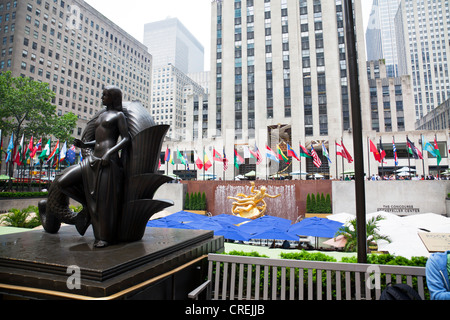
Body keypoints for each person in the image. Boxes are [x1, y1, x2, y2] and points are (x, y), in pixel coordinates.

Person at [56, 86, 130, 248]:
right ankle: (89, 207)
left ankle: (103, 237)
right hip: (93, 158)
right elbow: (97, 140)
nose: (102, 97)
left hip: (107, 162)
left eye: (105, 95)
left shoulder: (119, 116)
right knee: (63, 182)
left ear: (113, 97)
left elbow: (126, 139)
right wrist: (83, 144)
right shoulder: (101, 115)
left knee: (104, 201)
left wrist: (109, 154)